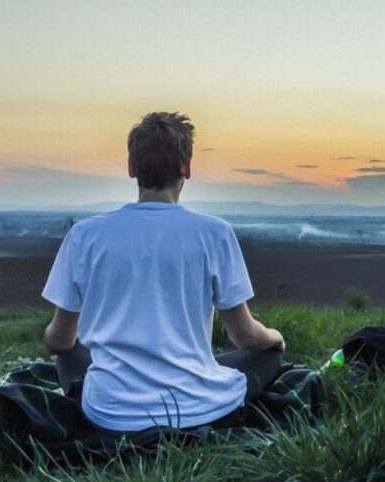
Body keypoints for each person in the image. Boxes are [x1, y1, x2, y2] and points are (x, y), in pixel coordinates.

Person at [41, 111, 286, 432]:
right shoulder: (215, 233)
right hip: (199, 409)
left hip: (109, 415)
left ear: (131, 168)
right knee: (267, 355)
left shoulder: (84, 235)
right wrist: (276, 338)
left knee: (70, 353)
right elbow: (245, 337)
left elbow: (59, 340)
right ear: (186, 168)